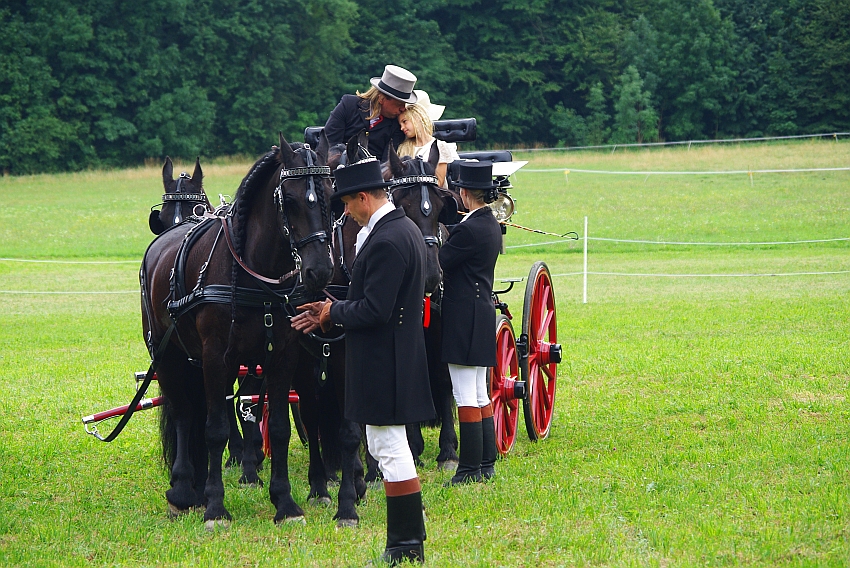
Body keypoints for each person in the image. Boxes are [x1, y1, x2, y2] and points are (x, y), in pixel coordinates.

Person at [291, 157, 434, 565]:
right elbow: (370, 300)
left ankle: (405, 545)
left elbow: (375, 310)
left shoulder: (387, 240)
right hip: (390, 358)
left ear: (364, 197)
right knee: (390, 447)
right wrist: (334, 304)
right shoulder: (399, 229)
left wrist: (330, 314)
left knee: (389, 449)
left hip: (384, 362)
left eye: (348, 205)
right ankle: (410, 534)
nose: (347, 213)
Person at [437, 161, 502, 485]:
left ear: (463, 193)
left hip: (463, 316)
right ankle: (486, 463)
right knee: (478, 392)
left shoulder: (467, 230)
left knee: (465, 393)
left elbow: (441, 262)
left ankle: (468, 468)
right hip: (481, 312)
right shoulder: (490, 224)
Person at [324, 65, 418, 162]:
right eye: (399, 104)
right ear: (381, 99)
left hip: (375, 174)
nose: (403, 109)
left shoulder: (397, 126)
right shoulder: (348, 105)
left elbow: (387, 163)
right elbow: (329, 144)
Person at [397, 91, 459, 189]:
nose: (402, 127)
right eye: (400, 124)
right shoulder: (403, 148)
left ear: (417, 118)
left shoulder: (439, 146)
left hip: (433, 196)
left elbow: (439, 182)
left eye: (405, 122)